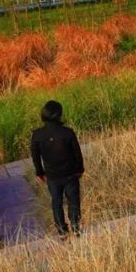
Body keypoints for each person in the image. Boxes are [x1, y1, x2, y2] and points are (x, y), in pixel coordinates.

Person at [30, 100, 84, 238]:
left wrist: (39, 172)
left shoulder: (37, 135)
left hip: (52, 176)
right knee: (73, 200)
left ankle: (61, 230)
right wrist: (80, 169)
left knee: (56, 202)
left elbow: (35, 157)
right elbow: (77, 153)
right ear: (59, 115)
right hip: (70, 173)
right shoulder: (67, 133)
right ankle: (75, 226)